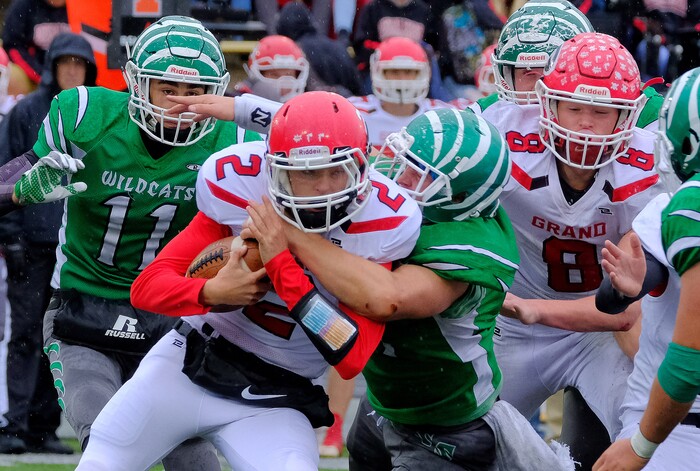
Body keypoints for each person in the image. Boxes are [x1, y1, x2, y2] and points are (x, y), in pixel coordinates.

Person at [75, 91, 422, 470]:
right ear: (273, 170)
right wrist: (211, 291)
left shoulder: (382, 225)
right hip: (186, 366)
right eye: (307, 173)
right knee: (100, 463)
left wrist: (283, 261)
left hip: (276, 398)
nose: (324, 187)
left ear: (362, 167)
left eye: (337, 170)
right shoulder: (241, 189)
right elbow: (147, 288)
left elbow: (350, 356)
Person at [248, 107, 578, 470]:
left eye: (416, 173)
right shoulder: (408, 206)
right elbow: (322, 143)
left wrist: (289, 236)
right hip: (383, 403)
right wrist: (242, 110)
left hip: (446, 426)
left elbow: (386, 299)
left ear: (457, 196)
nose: (397, 177)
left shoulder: (467, 243)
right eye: (403, 162)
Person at [2, 15, 264, 469]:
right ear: (136, 84)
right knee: (110, 437)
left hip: (171, 319)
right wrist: (20, 188)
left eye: (195, 91)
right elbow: (9, 180)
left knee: (195, 457)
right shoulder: (89, 115)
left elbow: (314, 138)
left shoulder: (232, 142)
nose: (182, 104)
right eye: (168, 89)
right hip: (83, 314)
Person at [485, 31, 664, 467]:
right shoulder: (501, 137)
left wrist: (533, 309)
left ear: (627, 117)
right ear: (548, 104)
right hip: (513, 328)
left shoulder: (653, 164)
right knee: (457, 437)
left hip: (602, 333)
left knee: (653, 435)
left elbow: (625, 312)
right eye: (575, 107)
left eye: (601, 111)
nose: (585, 123)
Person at [592, 67, 700, 471]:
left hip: (670, 426)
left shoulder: (690, 203)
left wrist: (640, 444)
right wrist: (630, 286)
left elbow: (690, 361)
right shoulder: (666, 212)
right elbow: (613, 298)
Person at [0, 32, 96, 455]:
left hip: (71, 244)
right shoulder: (26, 112)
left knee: (55, 334)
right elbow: (6, 175)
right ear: (52, 67)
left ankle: (43, 426)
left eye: (79, 63)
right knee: (23, 333)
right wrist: (11, 238)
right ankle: (14, 424)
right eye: (65, 62)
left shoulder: (94, 118)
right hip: (30, 242)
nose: (72, 69)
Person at [350, 36, 450, 152]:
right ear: (377, 72)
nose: (402, 80)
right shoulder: (356, 114)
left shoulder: (441, 116)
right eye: (394, 71)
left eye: (408, 72)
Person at [275, 2, 363, 97]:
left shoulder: (295, 52)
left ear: (282, 28)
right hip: (347, 105)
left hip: (314, 106)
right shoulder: (337, 47)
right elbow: (358, 90)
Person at [2, 0, 71, 85]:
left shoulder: (83, 6)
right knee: (12, 76)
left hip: (75, 75)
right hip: (35, 75)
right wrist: (42, 77)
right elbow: (12, 45)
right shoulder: (24, 5)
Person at [233, 34, 310, 103]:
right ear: (255, 75)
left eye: (288, 75)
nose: (282, 82)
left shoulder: (305, 106)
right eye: (274, 75)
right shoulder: (240, 103)